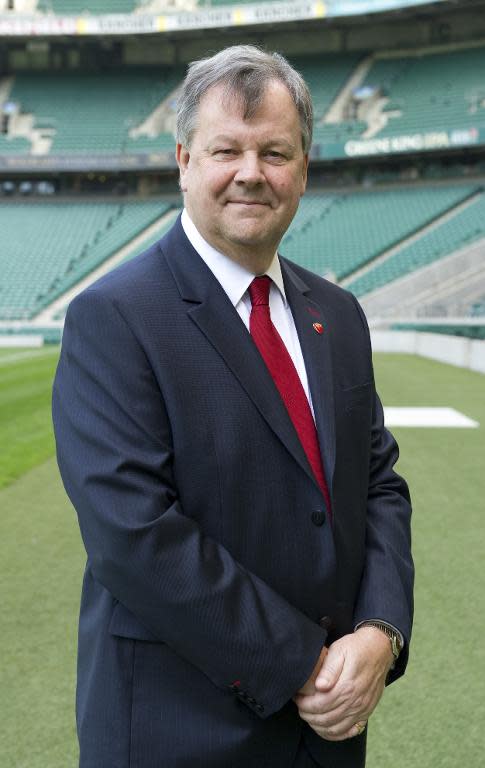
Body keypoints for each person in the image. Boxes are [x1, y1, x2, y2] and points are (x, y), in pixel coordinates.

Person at [52, 45, 414, 768]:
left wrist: (380, 630)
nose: (251, 172)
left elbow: (377, 486)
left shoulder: (337, 314)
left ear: (304, 169)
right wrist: (300, 663)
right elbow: (134, 534)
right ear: (183, 159)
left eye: (275, 152)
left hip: (326, 731)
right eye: (227, 150)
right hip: (178, 730)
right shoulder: (115, 316)